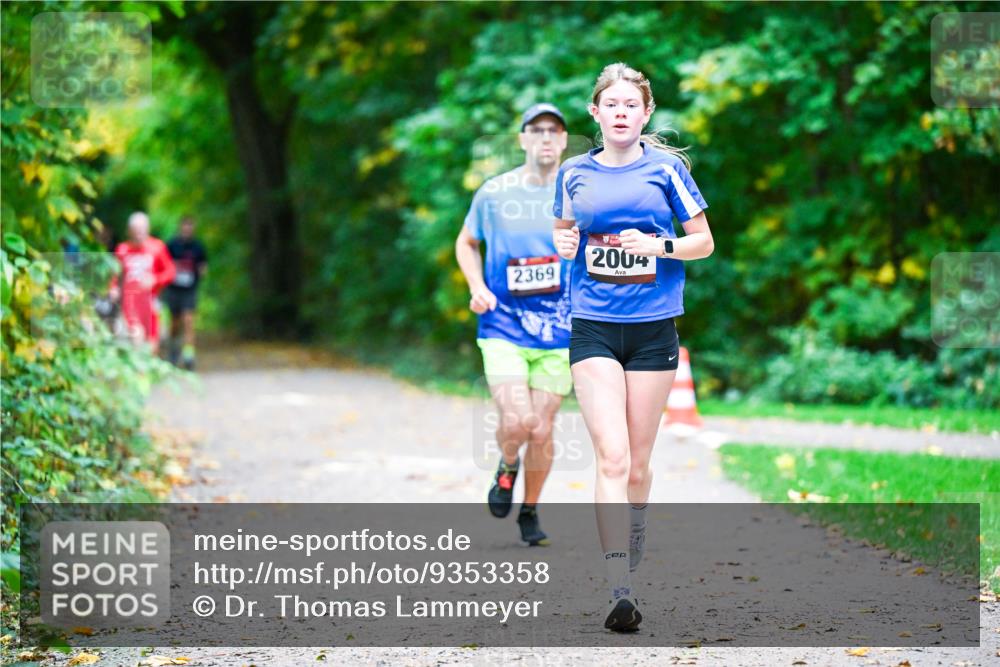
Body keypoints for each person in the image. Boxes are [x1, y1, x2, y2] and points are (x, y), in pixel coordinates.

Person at [552, 63, 715, 632]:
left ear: (645, 114)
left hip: (653, 329)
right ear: (595, 114)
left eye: (631, 105)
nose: (621, 113)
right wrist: (564, 240)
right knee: (613, 457)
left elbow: (703, 243)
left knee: (639, 465)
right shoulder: (572, 172)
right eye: (611, 104)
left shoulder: (665, 170)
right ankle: (619, 586)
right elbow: (563, 231)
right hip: (592, 325)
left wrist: (657, 244)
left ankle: (635, 526)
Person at [455, 103, 574, 546]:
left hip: (560, 331)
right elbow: (466, 243)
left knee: (542, 427)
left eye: (554, 131)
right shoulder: (495, 193)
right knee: (520, 420)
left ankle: (530, 510)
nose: (546, 137)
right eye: (537, 130)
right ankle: (508, 466)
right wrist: (476, 285)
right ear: (523, 139)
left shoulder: (578, 194)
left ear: (563, 141)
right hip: (502, 325)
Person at [111, 212, 176, 356]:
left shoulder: (157, 247)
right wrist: (113, 288)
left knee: (152, 342)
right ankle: (139, 373)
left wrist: (155, 279)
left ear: (148, 229)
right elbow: (115, 274)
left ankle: (149, 371)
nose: (139, 235)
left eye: (142, 231)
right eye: (136, 231)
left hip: (151, 302)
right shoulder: (122, 249)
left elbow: (170, 272)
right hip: (130, 303)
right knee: (136, 337)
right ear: (129, 231)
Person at [163, 216, 208, 370]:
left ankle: (189, 357)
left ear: (193, 229)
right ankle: (173, 352)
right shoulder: (171, 245)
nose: (187, 229)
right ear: (180, 227)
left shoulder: (198, 246)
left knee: (188, 321)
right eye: (185, 226)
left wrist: (201, 271)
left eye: (190, 227)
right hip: (174, 290)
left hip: (190, 290)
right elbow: (163, 264)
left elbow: (203, 265)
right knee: (175, 323)